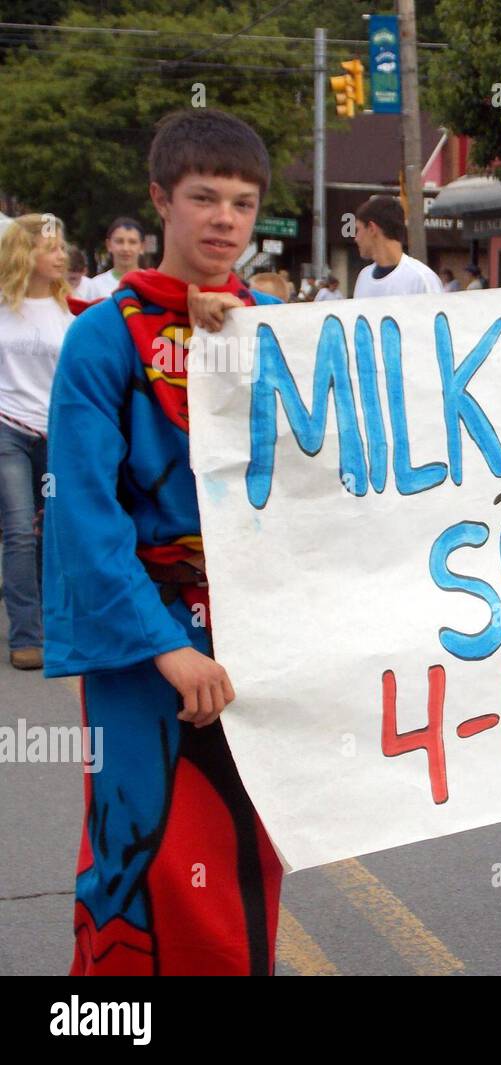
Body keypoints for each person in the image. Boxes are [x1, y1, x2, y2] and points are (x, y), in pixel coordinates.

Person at [43, 108, 284, 975]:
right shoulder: (101, 337)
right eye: (204, 197)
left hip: (255, 633)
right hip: (143, 638)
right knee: (137, 846)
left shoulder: (275, 331)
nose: (225, 219)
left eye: (245, 203)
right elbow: (83, 512)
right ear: (160, 201)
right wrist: (162, 649)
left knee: (249, 853)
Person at [0, 214, 72, 670]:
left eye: (63, 247)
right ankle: (26, 636)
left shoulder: (71, 313)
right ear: (26, 254)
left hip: (56, 433)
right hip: (6, 429)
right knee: (20, 532)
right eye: (51, 247)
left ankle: (55, 626)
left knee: (53, 535)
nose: (62, 255)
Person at [351, 195, 442, 298]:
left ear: (372, 229)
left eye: (358, 230)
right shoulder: (364, 277)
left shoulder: (422, 279)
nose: (356, 238)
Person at [81, 217, 145, 300]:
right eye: (119, 241)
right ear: (109, 245)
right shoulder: (95, 286)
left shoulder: (152, 284)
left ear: (142, 247)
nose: (125, 248)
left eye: (132, 242)